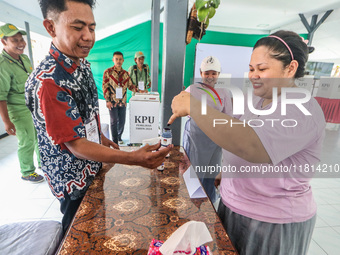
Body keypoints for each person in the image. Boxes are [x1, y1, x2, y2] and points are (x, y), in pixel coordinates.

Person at [168, 30, 325, 255]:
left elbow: (251, 145)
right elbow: (235, 132)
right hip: (233, 206)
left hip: (271, 221)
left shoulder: (302, 109)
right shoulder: (257, 100)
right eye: (251, 69)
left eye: (262, 69)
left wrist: (195, 107)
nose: (254, 76)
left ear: (290, 68)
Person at [26, 0, 172, 234]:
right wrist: (133, 158)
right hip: (73, 178)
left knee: (98, 225)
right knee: (78, 233)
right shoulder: (49, 81)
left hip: (92, 167)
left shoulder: (81, 65)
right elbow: (75, 145)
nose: (88, 36)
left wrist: (101, 137)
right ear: (51, 27)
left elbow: (85, 116)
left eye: (92, 28)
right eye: (77, 27)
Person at [182, 56, 232, 203]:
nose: (210, 77)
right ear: (200, 73)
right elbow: (184, 109)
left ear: (218, 74)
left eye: (214, 73)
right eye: (207, 73)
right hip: (196, 140)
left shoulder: (224, 93)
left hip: (215, 142)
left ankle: (209, 208)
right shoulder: (192, 90)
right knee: (195, 175)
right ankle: (192, 206)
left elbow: (228, 117)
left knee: (211, 174)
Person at [0, 23, 43, 183]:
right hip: (18, 110)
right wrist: (6, 121)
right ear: (4, 42)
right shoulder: (2, 65)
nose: (21, 43)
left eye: (21, 39)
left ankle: (43, 163)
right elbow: (1, 96)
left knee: (39, 136)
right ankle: (27, 171)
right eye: (15, 40)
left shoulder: (24, 58)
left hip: (34, 107)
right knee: (27, 141)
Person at [103, 51, 138, 144]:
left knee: (122, 122)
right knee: (114, 121)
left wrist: (140, 91)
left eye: (120, 59)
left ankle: (119, 137)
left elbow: (130, 86)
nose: (118, 61)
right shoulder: (108, 72)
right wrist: (107, 100)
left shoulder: (126, 74)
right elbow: (105, 86)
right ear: (113, 60)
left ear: (123, 60)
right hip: (112, 101)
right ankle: (114, 141)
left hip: (123, 102)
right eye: (116, 59)